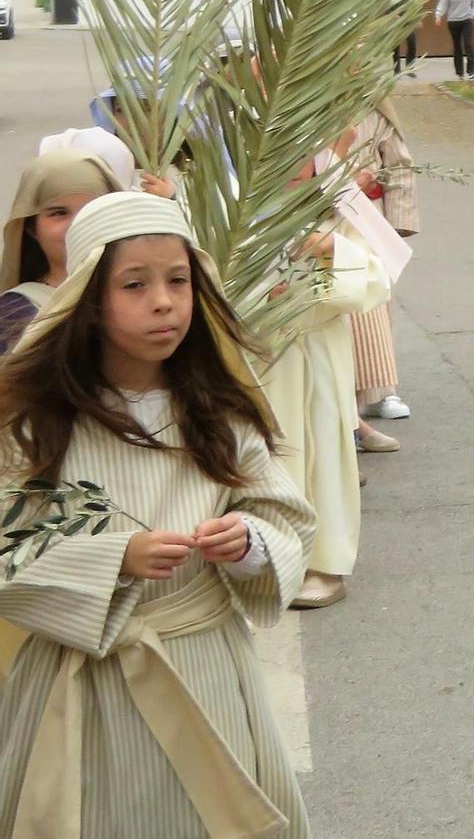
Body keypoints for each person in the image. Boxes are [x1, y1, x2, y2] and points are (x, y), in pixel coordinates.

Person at [0, 191, 316, 838]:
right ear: (88, 299)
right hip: (85, 680)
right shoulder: (37, 423)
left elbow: (284, 517)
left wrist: (249, 539)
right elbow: (9, 545)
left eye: (177, 281)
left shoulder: (220, 414)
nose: (164, 302)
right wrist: (116, 558)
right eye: (135, 285)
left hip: (205, 666)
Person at [260, 158, 393, 609]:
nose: (293, 165)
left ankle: (324, 562)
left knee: (322, 448)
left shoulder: (339, 201)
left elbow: (374, 278)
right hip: (256, 344)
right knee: (263, 449)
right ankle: (264, 559)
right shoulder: (238, 193)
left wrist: (332, 248)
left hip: (317, 343)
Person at [1, 150, 123, 355]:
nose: (77, 225)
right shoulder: (16, 312)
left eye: (92, 209)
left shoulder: (151, 293)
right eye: (59, 213)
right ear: (32, 228)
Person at [344, 103, 420, 425]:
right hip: (325, 212)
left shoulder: (376, 102)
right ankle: (345, 393)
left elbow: (398, 162)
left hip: (370, 213)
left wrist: (399, 221)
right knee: (339, 301)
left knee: (376, 297)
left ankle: (380, 389)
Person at [434, 0, 474, 80]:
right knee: (457, 46)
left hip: (466, 20)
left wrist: (472, 14)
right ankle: (460, 72)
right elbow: (443, 4)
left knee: (468, 44)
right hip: (453, 21)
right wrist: (438, 15)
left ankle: (472, 71)